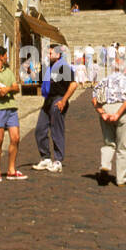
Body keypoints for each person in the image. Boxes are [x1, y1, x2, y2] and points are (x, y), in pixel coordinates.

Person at [33, 42, 77, 174]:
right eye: (48, 52)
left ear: (58, 54)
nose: (48, 55)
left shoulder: (64, 67)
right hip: (48, 100)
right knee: (40, 129)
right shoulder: (48, 67)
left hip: (58, 99)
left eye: (50, 53)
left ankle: (58, 160)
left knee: (56, 130)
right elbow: (39, 80)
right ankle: (45, 158)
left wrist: (64, 100)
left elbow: (73, 85)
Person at [0, 45, 27, 182]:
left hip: (11, 107)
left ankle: (11, 170)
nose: (7, 57)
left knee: (15, 138)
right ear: (1, 57)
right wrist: (10, 88)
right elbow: (1, 92)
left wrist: (8, 88)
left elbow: (17, 88)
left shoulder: (8, 71)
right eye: (6, 55)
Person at [93, 62, 126, 187]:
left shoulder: (104, 81)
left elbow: (94, 99)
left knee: (108, 143)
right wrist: (118, 114)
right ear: (124, 70)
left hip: (106, 109)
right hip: (122, 111)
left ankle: (105, 166)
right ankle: (121, 179)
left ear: (111, 69)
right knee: (123, 146)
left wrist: (102, 113)